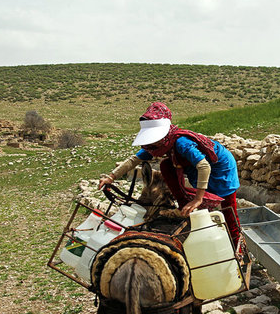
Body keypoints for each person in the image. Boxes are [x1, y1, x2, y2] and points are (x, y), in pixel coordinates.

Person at [98, 102, 242, 250]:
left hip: (220, 167)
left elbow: (204, 166)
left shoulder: (181, 143)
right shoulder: (157, 145)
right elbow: (134, 160)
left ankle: (237, 247)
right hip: (197, 166)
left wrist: (198, 199)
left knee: (227, 210)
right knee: (166, 165)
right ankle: (183, 205)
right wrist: (111, 177)